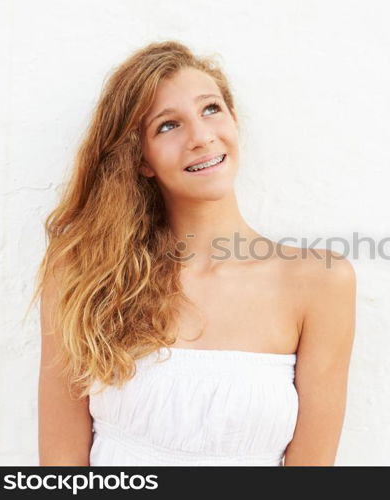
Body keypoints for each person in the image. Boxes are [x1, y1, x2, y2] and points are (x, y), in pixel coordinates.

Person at [32, 41, 356, 466]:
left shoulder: (320, 283)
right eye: (168, 126)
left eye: (211, 109)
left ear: (234, 121)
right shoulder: (84, 273)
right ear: (141, 159)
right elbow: (61, 467)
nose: (202, 137)